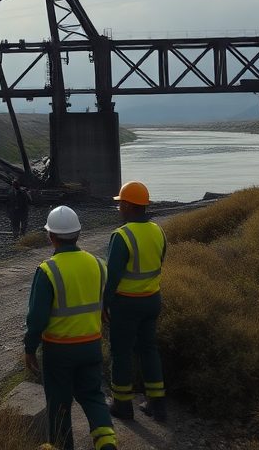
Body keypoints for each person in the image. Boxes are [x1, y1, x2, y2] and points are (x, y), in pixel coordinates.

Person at [24, 205, 116, 450]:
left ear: (51, 236)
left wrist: (29, 348)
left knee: (59, 404)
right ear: (79, 233)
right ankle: (107, 444)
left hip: (59, 350)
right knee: (93, 396)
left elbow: (36, 318)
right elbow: (108, 298)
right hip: (91, 345)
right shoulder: (98, 264)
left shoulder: (48, 270)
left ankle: (63, 446)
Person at [105, 181, 168, 423]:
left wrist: (104, 303)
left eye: (121, 202)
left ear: (129, 206)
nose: (119, 206)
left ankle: (122, 405)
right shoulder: (158, 231)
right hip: (152, 299)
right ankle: (157, 405)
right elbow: (159, 261)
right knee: (148, 349)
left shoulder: (122, 236)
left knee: (120, 352)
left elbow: (112, 277)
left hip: (127, 303)